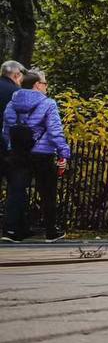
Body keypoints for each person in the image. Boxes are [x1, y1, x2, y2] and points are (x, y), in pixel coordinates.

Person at [2, 69, 70, 242]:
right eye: (45, 83)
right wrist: (64, 153)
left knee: (16, 189)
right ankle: (51, 231)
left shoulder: (12, 104)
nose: (46, 87)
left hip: (18, 154)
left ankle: (11, 230)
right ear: (37, 85)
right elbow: (55, 132)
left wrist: (12, 148)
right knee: (47, 191)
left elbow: (6, 131)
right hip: (42, 153)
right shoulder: (48, 104)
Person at [0, 60, 24, 221]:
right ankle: (12, 227)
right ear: (16, 75)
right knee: (16, 187)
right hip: (8, 147)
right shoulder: (16, 93)